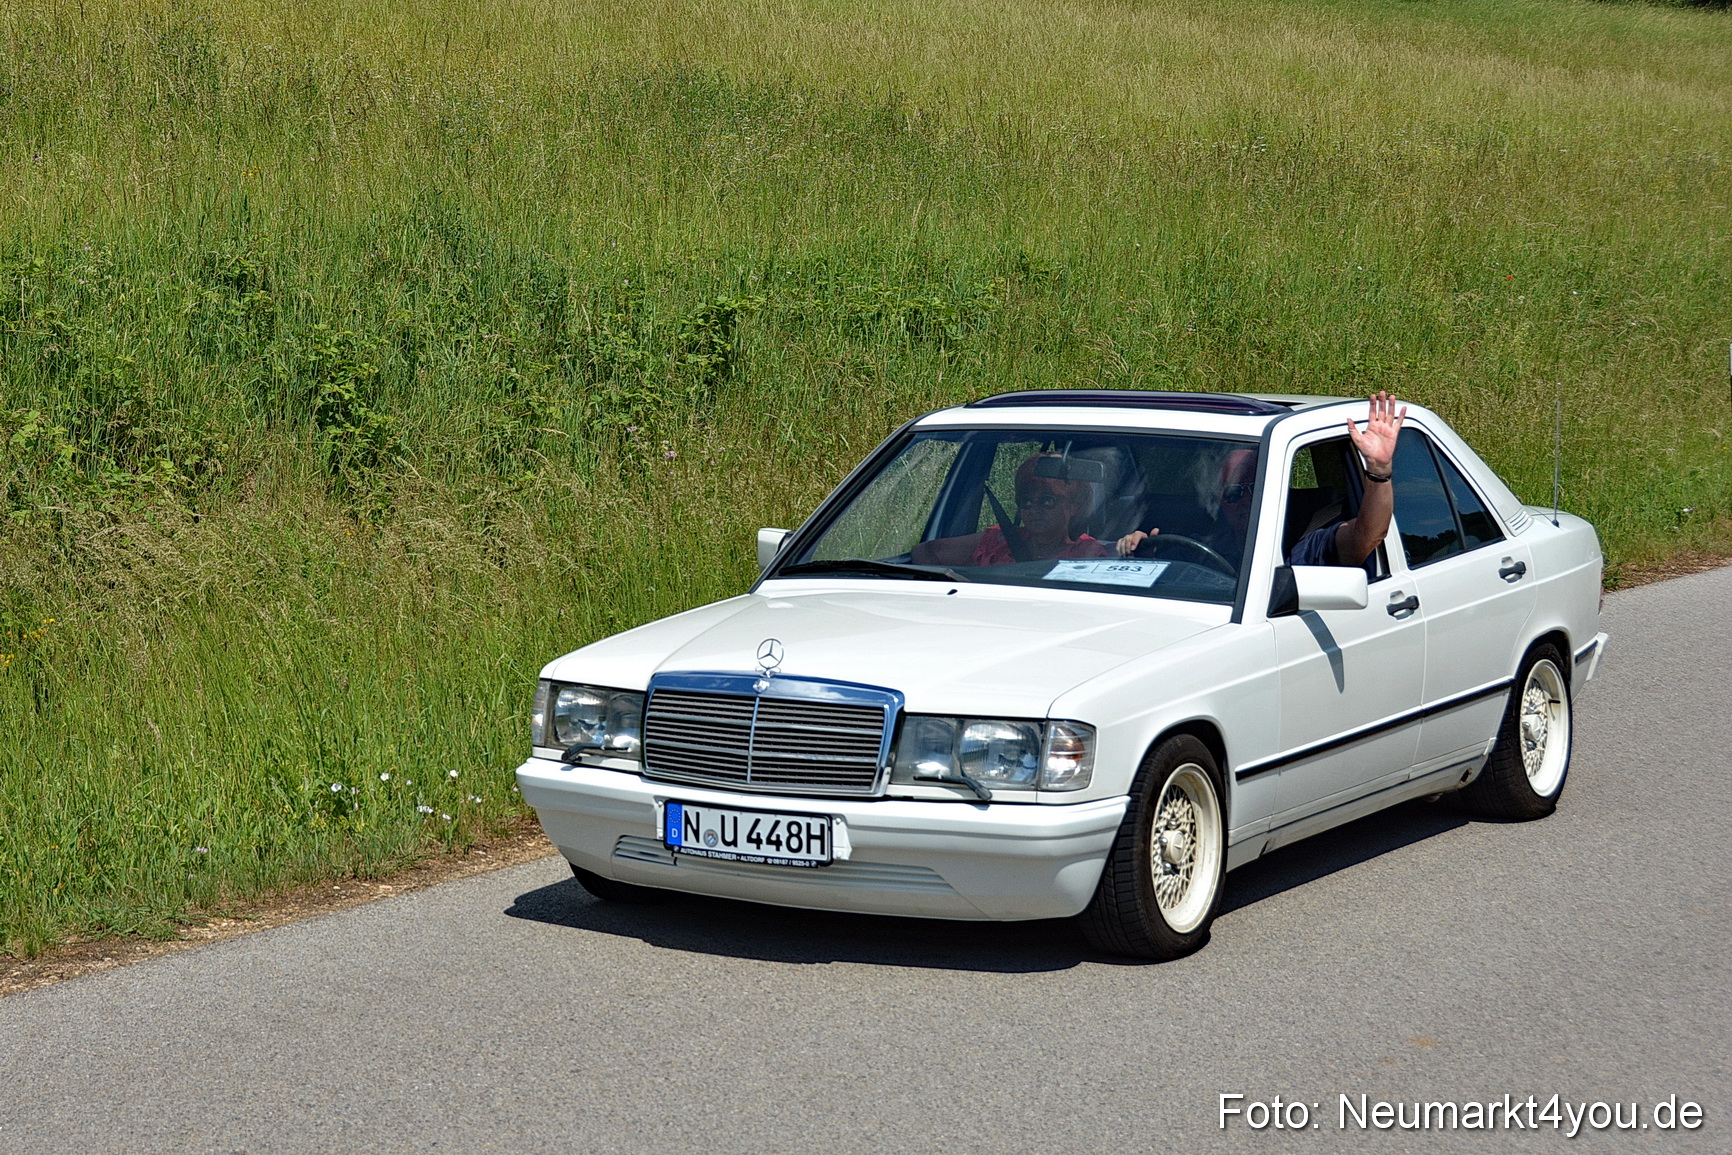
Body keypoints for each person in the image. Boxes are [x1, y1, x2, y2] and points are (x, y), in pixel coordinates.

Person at [1115, 391, 1408, 568]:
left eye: (1254, 489)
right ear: (1219, 502)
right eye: (1232, 493)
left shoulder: (1302, 547)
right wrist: (1140, 548)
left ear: (1274, 492)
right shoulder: (1200, 548)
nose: (1244, 501)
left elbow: (1367, 536)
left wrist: (1379, 471)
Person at [971, 453, 1110, 565]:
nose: (1034, 510)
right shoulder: (998, 540)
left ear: (1075, 505)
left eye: (1047, 501)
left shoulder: (1089, 556)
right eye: (1026, 501)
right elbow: (948, 552)